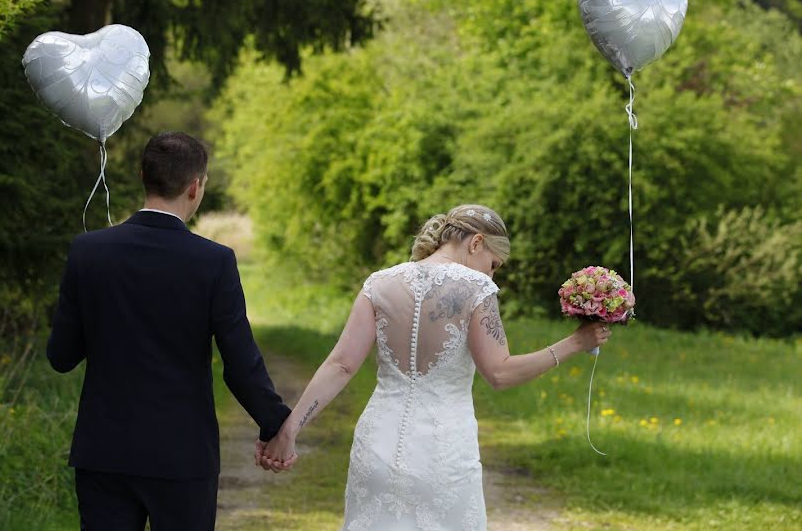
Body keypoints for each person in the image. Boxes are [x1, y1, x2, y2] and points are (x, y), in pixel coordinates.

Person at [257, 204, 611, 530]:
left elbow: (341, 365)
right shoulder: (477, 288)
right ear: (476, 243)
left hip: (377, 446)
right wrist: (576, 343)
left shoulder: (379, 283)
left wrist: (288, 432)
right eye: (494, 262)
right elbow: (500, 374)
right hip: (444, 453)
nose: (493, 272)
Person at [47, 131, 293, 531]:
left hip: (103, 452)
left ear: (144, 174)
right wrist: (277, 425)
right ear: (195, 188)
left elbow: (61, 357)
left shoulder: (87, 251)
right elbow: (240, 364)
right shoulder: (213, 262)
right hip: (182, 455)